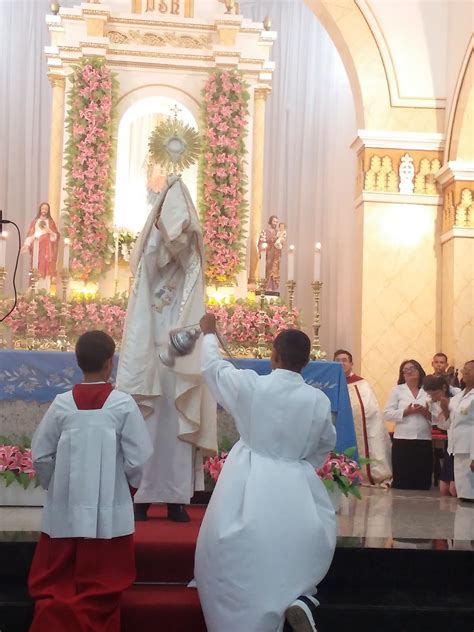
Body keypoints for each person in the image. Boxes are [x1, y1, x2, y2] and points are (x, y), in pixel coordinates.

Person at [195, 315, 337, 632]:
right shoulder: (317, 399)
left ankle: (243, 618)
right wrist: (299, 464)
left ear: (274, 356)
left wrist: (208, 335)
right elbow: (324, 444)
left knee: (235, 552)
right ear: (307, 362)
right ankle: (299, 599)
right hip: (296, 482)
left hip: (247, 479)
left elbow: (213, 369)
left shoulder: (252, 386)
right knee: (295, 547)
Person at [28, 331, 153, 632]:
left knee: (59, 581)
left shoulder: (61, 404)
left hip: (65, 509)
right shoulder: (123, 405)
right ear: (110, 364)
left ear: (78, 362)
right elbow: (138, 460)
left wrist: (56, 488)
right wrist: (125, 489)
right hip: (109, 513)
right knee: (103, 582)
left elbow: (41, 455)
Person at [116, 174, 217, 522]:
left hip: (180, 355)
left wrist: (182, 228)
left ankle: (175, 498)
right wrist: (161, 222)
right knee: (146, 424)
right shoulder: (150, 264)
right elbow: (152, 254)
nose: (176, 243)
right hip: (150, 354)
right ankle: (142, 497)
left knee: (176, 427)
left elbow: (190, 256)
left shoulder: (191, 267)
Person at [333, 349, 392, 487]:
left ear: (351, 363)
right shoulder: (331, 384)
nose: (341, 363)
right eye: (338, 360)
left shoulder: (361, 384)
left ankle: (364, 475)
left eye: (344, 360)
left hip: (358, 427)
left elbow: (371, 409)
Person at [383, 359, 432, 490]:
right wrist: (406, 412)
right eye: (405, 370)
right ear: (402, 374)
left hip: (423, 438)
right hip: (402, 439)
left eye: (412, 368)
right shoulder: (397, 390)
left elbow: (438, 417)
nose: (409, 372)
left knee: (422, 483)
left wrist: (425, 412)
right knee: (402, 482)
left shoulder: (428, 390)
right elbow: (387, 414)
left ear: (420, 371)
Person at [438, 360, 474, 503]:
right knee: (463, 496)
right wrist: (445, 410)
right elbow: (446, 425)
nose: (465, 371)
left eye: (470, 369)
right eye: (464, 368)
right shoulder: (457, 398)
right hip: (456, 450)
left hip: (470, 450)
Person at [423, 375, 457, 497]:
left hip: (462, 441)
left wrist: (447, 409)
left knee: (454, 489)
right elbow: (442, 425)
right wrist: (443, 411)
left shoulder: (458, 395)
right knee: (443, 489)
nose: (434, 397)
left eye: (435, 393)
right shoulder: (433, 403)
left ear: (443, 387)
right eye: (430, 395)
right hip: (451, 443)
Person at [22, 202, 59, 292]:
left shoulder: (50, 222)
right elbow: (31, 235)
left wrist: (49, 231)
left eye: (46, 209)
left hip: (47, 250)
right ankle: (34, 289)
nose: (44, 211)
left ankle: (44, 290)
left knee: (46, 267)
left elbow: (55, 237)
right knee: (36, 266)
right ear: (40, 210)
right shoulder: (35, 221)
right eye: (43, 209)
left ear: (48, 211)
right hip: (37, 248)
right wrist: (26, 245)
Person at [258, 215, 280, 292]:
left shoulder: (278, 233)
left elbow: (280, 244)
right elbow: (261, 243)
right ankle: (266, 286)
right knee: (267, 270)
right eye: (274, 221)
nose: (275, 223)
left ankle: (273, 287)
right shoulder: (265, 231)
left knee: (275, 271)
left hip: (275, 255)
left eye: (277, 222)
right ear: (270, 221)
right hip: (268, 255)